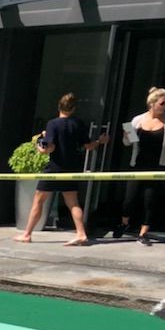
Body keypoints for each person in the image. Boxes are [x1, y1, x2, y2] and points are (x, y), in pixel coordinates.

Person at [14, 92, 108, 246]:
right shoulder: (78, 124)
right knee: (73, 202)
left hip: (54, 168)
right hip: (71, 168)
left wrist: (39, 144)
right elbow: (89, 146)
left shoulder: (53, 124)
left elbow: (49, 148)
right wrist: (100, 141)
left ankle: (27, 234)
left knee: (38, 200)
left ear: (59, 107)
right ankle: (81, 233)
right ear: (74, 109)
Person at [115, 87, 165, 246]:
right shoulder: (137, 120)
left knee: (149, 200)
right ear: (152, 103)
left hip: (157, 166)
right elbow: (127, 143)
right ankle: (124, 222)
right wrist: (126, 135)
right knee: (129, 199)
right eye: (162, 103)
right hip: (137, 165)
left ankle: (144, 232)